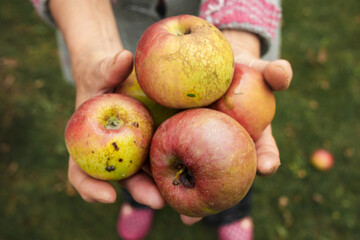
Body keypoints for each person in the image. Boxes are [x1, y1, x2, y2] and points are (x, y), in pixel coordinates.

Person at [31, 0, 293, 239]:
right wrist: (90, 46)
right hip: (129, 37)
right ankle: (137, 202)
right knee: (138, 159)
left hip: (214, 25)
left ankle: (233, 212)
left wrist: (240, 35)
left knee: (233, 168)